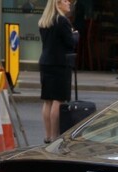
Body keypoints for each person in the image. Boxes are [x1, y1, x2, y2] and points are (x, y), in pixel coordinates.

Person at [38, 0, 76, 143]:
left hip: (45, 62)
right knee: (58, 100)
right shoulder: (62, 21)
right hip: (59, 63)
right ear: (58, 4)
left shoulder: (44, 21)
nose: (68, 3)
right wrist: (74, 35)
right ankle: (55, 136)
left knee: (47, 100)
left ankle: (47, 136)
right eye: (65, 1)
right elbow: (70, 43)